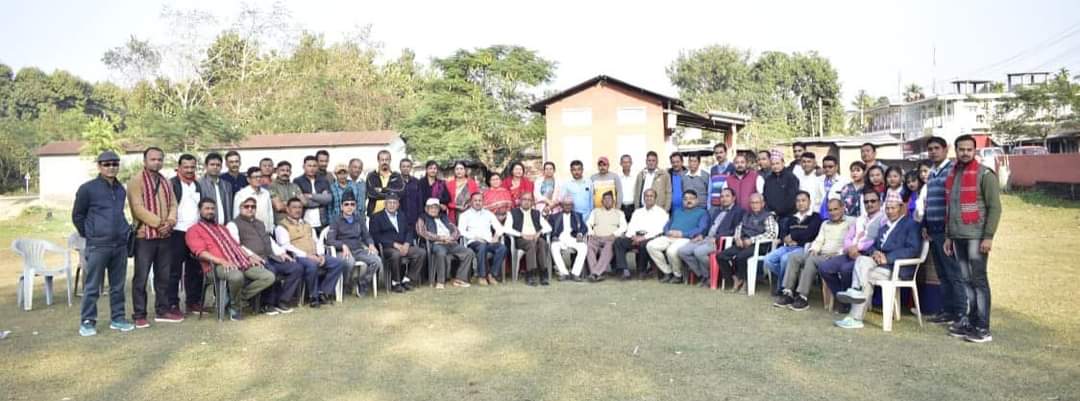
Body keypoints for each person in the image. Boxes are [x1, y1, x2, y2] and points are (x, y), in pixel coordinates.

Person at [943, 134, 1002, 343]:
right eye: (961, 149)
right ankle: (970, 321)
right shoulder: (953, 174)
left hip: (977, 237)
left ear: (975, 151)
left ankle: (983, 328)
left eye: (969, 149)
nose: (965, 153)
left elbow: (995, 208)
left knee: (978, 281)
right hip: (958, 236)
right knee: (966, 281)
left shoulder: (985, 175)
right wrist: (949, 236)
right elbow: (951, 207)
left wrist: (988, 236)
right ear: (956, 151)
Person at [833, 192, 921, 329]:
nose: (890, 212)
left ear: (901, 208)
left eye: (893, 208)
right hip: (878, 264)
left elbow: (912, 249)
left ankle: (855, 317)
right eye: (887, 209)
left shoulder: (910, 225)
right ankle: (856, 290)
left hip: (896, 268)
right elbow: (874, 246)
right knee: (861, 259)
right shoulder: (884, 227)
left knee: (865, 276)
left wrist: (888, 257)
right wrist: (875, 253)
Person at [73, 151, 135, 336]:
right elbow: (78, 215)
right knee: (92, 286)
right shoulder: (87, 189)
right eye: (107, 164)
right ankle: (87, 322)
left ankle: (118, 318)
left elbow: (119, 213)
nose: (111, 167)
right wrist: (90, 234)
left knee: (118, 286)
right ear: (99, 166)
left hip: (119, 245)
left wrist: (125, 231)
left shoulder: (120, 189)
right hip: (98, 245)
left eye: (114, 164)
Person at [187, 198, 276, 321]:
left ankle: (236, 299)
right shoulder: (193, 230)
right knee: (237, 276)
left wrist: (248, 257)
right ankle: (235, 308)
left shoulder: (222, 228)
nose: (210, 211)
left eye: (212, 209)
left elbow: (236, 246)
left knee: (268, 276)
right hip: (215, 267)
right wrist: (222, 261)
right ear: (200, 211)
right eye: (207, 208)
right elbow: (201, 253)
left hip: (238, 261)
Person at [127, 147, 180, 327]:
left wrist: (170, 222)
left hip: (165, 236)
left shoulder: (165, 181)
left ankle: (162, 310)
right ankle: (139, 314)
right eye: (152, 159)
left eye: (159, 159)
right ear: (145, 161)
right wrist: (159, 224)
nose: (156, 162)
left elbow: (173, 203)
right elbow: (138, 208)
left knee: (163, 276)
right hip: (145, 236)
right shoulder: (136, 181)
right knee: (141, 277)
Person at [228, 196, 303, 314]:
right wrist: (250, 255)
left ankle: (282, 301)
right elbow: (236, 245)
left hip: (270, 256)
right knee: (271, 270)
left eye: (253, 207)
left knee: (296, 267)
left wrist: (281, 253)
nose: (250, 209)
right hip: (253, 261)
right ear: (240, 208)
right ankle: (267, 304)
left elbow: (269, 240)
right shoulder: (233, 224)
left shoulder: (260, 223)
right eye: (246, 206)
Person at [775, 199, 853, 311]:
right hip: (820, 253)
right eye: (830, 210)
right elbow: (819, 240)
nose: (833, 212)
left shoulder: (849, 223)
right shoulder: (825, 223)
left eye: (835, 209)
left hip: (835, 256)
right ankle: (788, 293)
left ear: (842, 208)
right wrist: (814, 249)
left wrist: (838, 253)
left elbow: (849, 241)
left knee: (811, 261)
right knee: (794, 257)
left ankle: (803, 297)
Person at [275, 197, 348, 308]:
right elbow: (285, 245)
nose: (298, 210)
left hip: (314, 254)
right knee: (312, 265)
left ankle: (323, 292)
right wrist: (307, 255)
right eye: (294, 207)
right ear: (287, 210)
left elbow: (317, 241)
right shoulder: (282, 226)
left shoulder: (307, 224)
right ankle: (313, 297)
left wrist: (321, 254)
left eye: (300, 207)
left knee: (338, 263)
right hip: (298, 257)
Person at [922, 136, 964, 327]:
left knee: (954, 273)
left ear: (946, 150)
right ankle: (947, 311)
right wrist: (925, 224)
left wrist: (950, 232)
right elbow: (928, 202)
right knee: (942, 274)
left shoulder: (952, 171)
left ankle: (961, 312)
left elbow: (953, 203)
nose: (933, 152)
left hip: (947, 232)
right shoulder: (932, 173)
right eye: (930, 149)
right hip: (933, 230)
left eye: (936, 148)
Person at [818, 190, 885, 300]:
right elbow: (848, 237)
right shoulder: (860, 219)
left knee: (846, 269)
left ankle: (850, 301)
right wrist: (849, 248)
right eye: (866, 202)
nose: (869, 204)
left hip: (867, 256)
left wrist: (858, 248)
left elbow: (877, 240)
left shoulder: (883, 219)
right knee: (824, 267)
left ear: (880, 202)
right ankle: (842, 297)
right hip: (850, 252)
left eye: (873, 201)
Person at [677, 187, 744, 287]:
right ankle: (703, 275)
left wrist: (717, 237)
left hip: (719, 242)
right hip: (707, 238)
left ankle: (709, 276)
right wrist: (702, 235)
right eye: (722, 196)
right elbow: (709, 226)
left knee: (698, 252)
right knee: (683, 251)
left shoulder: (739, 211)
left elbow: (735, 230)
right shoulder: (717, 210)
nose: (724, 199)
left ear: (734, 198)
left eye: (727, 196)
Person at [716, 193, 778, 293]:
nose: (754, 205)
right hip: (743, 243)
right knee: (721, 256)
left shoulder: (768, 216)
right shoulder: (746, 215)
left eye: (757, 203)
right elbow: (738, 228)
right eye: (752, 203)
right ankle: (735, 278)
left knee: (741, 257)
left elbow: (771, 234)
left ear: (762, 204)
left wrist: (752, 240)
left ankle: (745, 282)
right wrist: (737, 238)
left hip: (759, 246)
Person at [762, 191, 822, 294]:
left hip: (803, 248)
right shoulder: (792, 217)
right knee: (768, 260)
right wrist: (785, 238)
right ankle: (790, 280)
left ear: (809, 202)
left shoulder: (815, 217)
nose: (800, 203)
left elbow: (810, 233)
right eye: (798, 201)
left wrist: (793, 236)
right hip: (788, 246)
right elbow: (784, 232)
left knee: (785, 259)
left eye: (803, 200)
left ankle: (783, 287)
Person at [325, 192, 383, 296]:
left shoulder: (359, 219)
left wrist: (370, 244)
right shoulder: (336, 220)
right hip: (342, 251)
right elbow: (330, 240)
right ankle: (346, 285)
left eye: (352, 204)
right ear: (341, 207)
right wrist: (342, 245)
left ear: (355, 206)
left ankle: (362, 283)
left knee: (376, 260)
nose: (349, 207)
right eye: (346, 204)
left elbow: (366, 235)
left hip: (358, 250)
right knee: (350, 262)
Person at [646, 190, 709, 284]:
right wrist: (668, 232)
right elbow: (667, 225)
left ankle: (677, 275)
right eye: (685, 199)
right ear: (682, 201)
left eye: (691, 198)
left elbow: (701, 229)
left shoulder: (702, 213)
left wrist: (682, 234)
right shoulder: (677, 211)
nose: (688, 201)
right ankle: (668, 272)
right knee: (650, 246)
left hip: (686, 238)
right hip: (669, 236)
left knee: (671, 251)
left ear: (697, 200)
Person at [169, 154, 205, 317]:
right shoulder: (172, 184)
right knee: (174, 271)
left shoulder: (197, 185)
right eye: (186, 167)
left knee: (195, 269)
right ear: (179, 167)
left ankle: (193, 302)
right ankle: (172, 304)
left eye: (192, 167)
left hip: (195, 232)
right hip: (176, 232)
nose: (189, 170)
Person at [369, 194, 426, 293]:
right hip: (387, 248)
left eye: (394, 203)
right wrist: (394, 244)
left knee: (420, 252)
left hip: (404, 245)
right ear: (385, 204)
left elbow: (409, 231)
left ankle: (408, 280)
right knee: (396, 254)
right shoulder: (376, 217)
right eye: (389, 203)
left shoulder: (402, 215)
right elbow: (376, 236)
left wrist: (407, 244)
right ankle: (396, 283)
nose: (392, 205)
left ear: (398, 205)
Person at [417, 198, 475, 288]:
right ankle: (440, 281)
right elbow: (422, 232)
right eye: (431, 208)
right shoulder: (422, 218)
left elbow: (456, 230)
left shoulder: (444, 217)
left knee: (468, 252)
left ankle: (460, 279)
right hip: (435, 244)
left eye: (436, 208)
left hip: (450, 242)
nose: (434, 210)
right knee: (441, 252)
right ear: (426, 209)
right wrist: (440, 238)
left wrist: (451, 237)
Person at [614, 189, 668, 280]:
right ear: (643, 198)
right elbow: (631, 226)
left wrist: (643, 238)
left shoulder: (661, 212)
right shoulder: (638, 212)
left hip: (651, 237)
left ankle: (641, 271)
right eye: (646, 196)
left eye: (651, 196)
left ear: (655, 198)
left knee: (644, 244)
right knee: (619, 242)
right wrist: (632, 236)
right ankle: (624, 270)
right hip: (635, 237)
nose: (648, 198)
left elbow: (659, 229)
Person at [504, 192, 553, 286]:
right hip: (521, 239)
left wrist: (539, 233)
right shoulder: (512, 213)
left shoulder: (536, 213)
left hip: (535, 237)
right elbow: (506, 229)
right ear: (520, 201)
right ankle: (531, 275)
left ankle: (543, 274)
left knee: (542, 243)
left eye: (529, 200)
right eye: (524, 199)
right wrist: (521, 234)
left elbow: (548, 227)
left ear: (532, 202)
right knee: (531, 244)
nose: (526, 202)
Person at [459, 192, 508, 285]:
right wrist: (475, 236)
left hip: (488, 241)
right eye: (475, 200)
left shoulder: (488, 214)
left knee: (502, 248)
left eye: (480, 200)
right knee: (482, 246)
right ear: (471, 202)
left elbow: (500, 228)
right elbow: (461, 231)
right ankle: (482, 276)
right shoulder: (465, 215)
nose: (478, 202)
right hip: (474, 242)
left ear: (483, 202)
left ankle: (492, 275)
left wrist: (496, 236)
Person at [586, 191, 627, 281]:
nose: (607, 201)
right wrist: (592, 233)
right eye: (605, 199)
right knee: (589, 246)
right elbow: (588, 224)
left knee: (609, 248)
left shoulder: (619, 213)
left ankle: (595, 273)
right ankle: (596, 273)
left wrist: (614, 234)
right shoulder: (595, 211)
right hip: (596, 237)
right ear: (602, 201)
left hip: (610, 238)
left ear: (613, 201)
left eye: (610, 199)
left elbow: (624, 227)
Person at [549, 197, 589, 281]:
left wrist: (580, 234)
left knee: (583, 247)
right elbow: (550, 229)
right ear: (562, 205)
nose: (567, 206)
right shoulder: (554, 217)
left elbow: (584, 228)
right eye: (565, 204)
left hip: (573, 238)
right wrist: (554, 236)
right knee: (554, 246)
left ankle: (575, 273)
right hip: (560, 239)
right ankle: (564, 273)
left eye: (569, 204)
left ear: (572, 206)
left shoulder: (578, 216)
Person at [294, 155, 332, 234]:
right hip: (305, 220)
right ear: (304, 166)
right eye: (309, 166)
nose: (312, 168)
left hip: (322, 220)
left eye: (314, 166)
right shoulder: (298, 181)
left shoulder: (323, 180)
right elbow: (302, 202)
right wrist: (320, 199)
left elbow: (328, 199)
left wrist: (311, 196)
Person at [366, 150, 405, 217]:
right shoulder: (371, 176)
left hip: (393, 214)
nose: (384, 162)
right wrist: (391, 194)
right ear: (378, 161)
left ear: (390, 160)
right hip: (375, 214)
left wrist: (382, 190)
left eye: (386, 160)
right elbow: (371, 194)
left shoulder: (397, 176)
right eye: (382, 160)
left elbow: (400, 193)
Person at [234, 167, 274, 233]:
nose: (258, 179)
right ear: (248, 179)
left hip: (266, 232)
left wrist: (271, 230)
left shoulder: (266, 193)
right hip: (249, 233)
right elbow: (237, 216)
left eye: (260, 176)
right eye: (255, 177)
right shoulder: (241, 194)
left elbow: (270, 213)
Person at [763, 150, 800, 219]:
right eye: (773, 164)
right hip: (771, 215)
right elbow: (765, 196)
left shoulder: (791, 178)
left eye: (777, 163)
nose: (775, 166)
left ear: (783, 163)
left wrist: (778, 212)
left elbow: (792, 199)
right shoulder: (768, 180)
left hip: (787, 216)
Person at [199, 152, 234, 225]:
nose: (215, 167)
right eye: (212, 164)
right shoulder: (199, 184)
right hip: (206, 227)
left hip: (225, 227)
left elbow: (230, 207)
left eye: (218, 165)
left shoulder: (227, 185)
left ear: (221, 167)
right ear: (206, 166)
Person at [707, 143, 735, 212]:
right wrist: (709, 205)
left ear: (726, 153)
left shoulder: (732, 167)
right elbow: (710, 188)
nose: (719, 155)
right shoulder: (713, 169)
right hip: (714, 206)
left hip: (727, 206)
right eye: (716, 153)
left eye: (721, 152)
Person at [399, 158, 423, 228]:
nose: (406, 168)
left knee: (414, 238)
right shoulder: (396, 182)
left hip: (414, 217)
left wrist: (420, 216)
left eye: (408, 166)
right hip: (400, 218)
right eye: (403, 166)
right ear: (400, 168)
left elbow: (419, 200)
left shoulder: (416, 182)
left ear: (411, 168)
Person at [617, 155, 636, 221]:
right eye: (624, 162)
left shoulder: (636, 177)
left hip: (633, 207)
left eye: (628, 162)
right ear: (620, 164)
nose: (626, 164)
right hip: (621, 207)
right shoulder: (617, 177)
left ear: (631, 163)